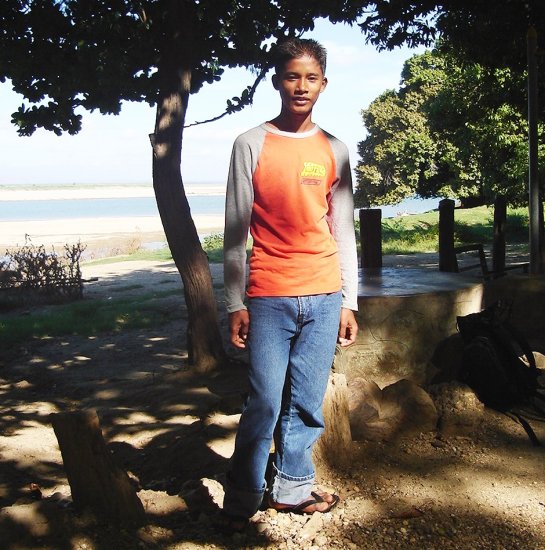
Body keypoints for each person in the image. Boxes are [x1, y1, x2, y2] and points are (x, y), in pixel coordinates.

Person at [220, 37, 359, 532]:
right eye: (292, 76)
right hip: (269, 296)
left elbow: (342, 230)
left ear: (323, 84)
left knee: (306, 401)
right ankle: (243, 494)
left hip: (323, 295)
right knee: (263, 399)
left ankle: (294, 489)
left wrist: (349, 300)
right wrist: (234, 301)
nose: (301, 86)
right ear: (277, 80)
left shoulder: (335, 150)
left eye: (311, 78)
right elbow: (236, 231)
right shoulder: (250, 144)